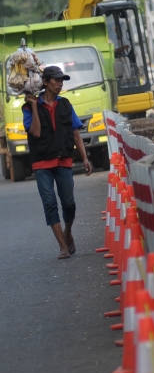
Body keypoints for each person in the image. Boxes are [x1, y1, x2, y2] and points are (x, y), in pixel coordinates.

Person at [23, 65, 92, 259]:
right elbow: (35, 132)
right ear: (45, 82)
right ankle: (62, 245)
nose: (60, 84)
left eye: (62, 80)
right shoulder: (29, 106)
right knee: (50, 203)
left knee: (69, 203)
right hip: (42, 163)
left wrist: (85, 158)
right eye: (56, 80)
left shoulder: (66, 104)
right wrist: (35, 107)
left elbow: (76, 133)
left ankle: (67, 231)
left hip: (63, 160)